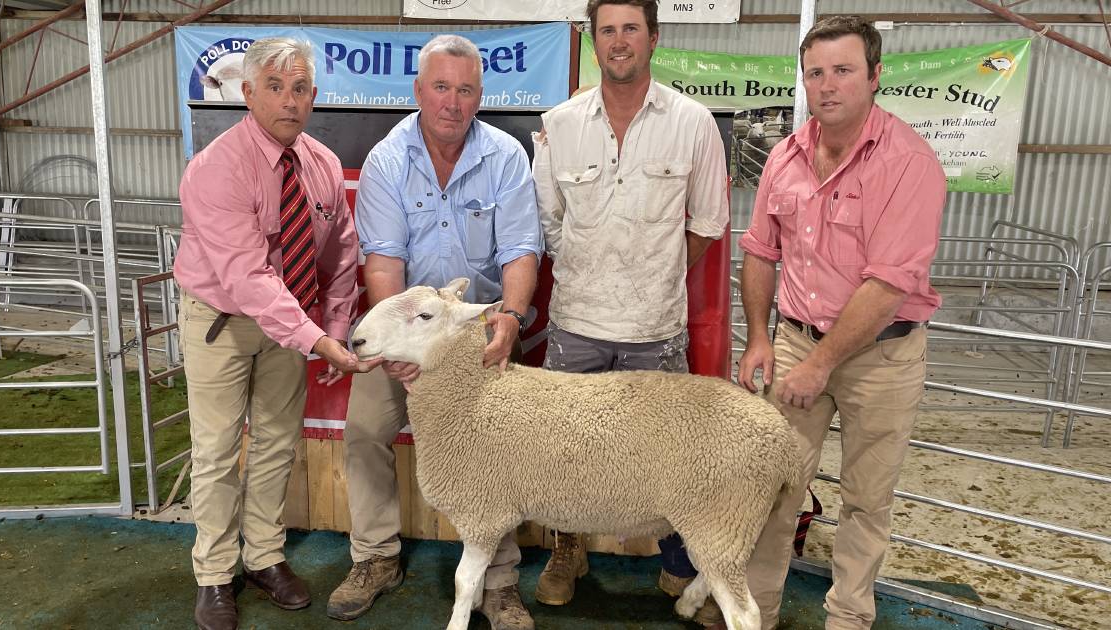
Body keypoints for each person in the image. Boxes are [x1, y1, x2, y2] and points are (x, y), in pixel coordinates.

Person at [326, 34, 543, 630]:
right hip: (406, 324)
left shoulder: (503, 155)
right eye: (441, 87)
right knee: (367, 429)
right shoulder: (388, 160)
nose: (452, 101)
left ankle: (498, 582)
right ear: (419, 91)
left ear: (479, 95)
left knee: (496, 445)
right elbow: (383, 264)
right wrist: (399, 346)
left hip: (478, 327)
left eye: (465, 89)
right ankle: (375, 557)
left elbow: (522, 250)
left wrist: (510, 318)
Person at [736, 16, 947, 630]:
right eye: (815, 73)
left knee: (865, 499)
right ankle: (754, 613)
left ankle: (849, 617)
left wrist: (820, 365)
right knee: (773, 487)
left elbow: (887, 286)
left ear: (876, 76)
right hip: (795, 338)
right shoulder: (785, 155)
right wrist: (757, 336)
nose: (827, 86)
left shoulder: (908, 163)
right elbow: (759, 248)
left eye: (843, 70)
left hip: (881, 356)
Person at [530, 0, 729, 624]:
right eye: (607, 30)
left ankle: (680, 560)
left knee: (670, 452)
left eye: (631, 30)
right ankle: (567, 550)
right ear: (594, 42)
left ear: (653, 38)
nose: (619, 42)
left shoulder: (694, 123)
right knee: (563, 449)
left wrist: (655, 270)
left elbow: (708, 223)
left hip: (655, 326)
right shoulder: (558, 124)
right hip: (576, 324)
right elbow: (549, 223)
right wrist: (594, 268)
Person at [173, 37, 379, 630]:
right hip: (224, 322)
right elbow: (245, 276)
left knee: (275, 444)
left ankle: (263, 556)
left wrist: (335, 326)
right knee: (214, 452)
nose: (289, 101)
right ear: (247, 93)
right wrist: (316, 339)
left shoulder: (319, 163)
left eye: (300, 89)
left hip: (294, 325)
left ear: (313, 95)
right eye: (275, 87)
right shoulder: (215, 168)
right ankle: (213, 574)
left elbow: (340, 257)